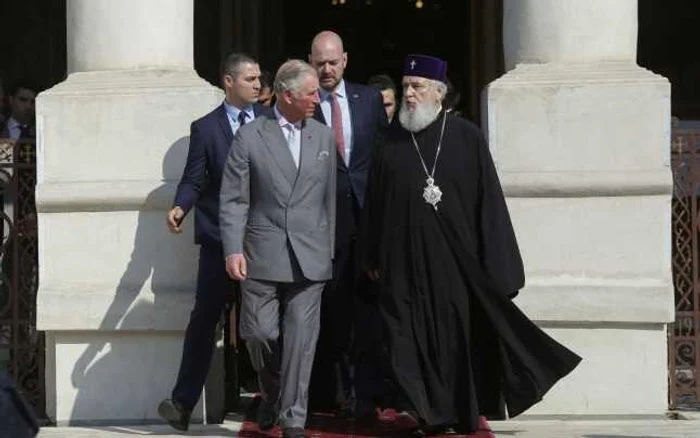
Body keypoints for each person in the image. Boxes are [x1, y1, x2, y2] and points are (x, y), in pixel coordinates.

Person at [358, 54, 582, 436]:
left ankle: (447, 412)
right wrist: (370, 254)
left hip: (451, 267)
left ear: (439, 94)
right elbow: (375, 203)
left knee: (449, 341)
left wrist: (498, 266)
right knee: (402, 337)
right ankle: (416, 407)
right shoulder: (390, 141)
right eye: (406, 86)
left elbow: (489, 204)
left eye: (418, 87)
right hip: (401, 264)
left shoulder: (467, 138)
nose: (409, 94)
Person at [219, 59, 336, 438]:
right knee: (260, 334)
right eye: (310, 93)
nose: (318, 99)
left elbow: (329, 200)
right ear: (287, 96)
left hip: (310, 256)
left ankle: (293, 418)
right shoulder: (251, 136)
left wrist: (328, 246)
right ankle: (270, 393)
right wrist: (233, 249)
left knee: (302, 340)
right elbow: (234, 199)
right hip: (262, 251)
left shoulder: (322, 137)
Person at [157, 53, 272, 431]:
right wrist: (180, 206)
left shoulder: (271, 122)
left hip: (262, 241)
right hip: (219, 241)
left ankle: (273, 399)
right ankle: (182, 403)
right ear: (228, 81)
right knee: (205, 319)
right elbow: (194, 178)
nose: (258, 85)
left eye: (259, 79)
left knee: (263, 325)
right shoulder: (205, 129)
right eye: (250, 79)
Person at [307, 30, 388, 420]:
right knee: (331, 309)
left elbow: (384, 157)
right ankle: (332, 391)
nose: (326, 69)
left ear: (345, 61)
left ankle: (367, 393)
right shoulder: (304, 106)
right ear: (311, 63)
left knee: (369, 309)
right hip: (325, 225)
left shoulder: (369, 100)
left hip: (369, 220)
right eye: (319, 62)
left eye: (332, 61)